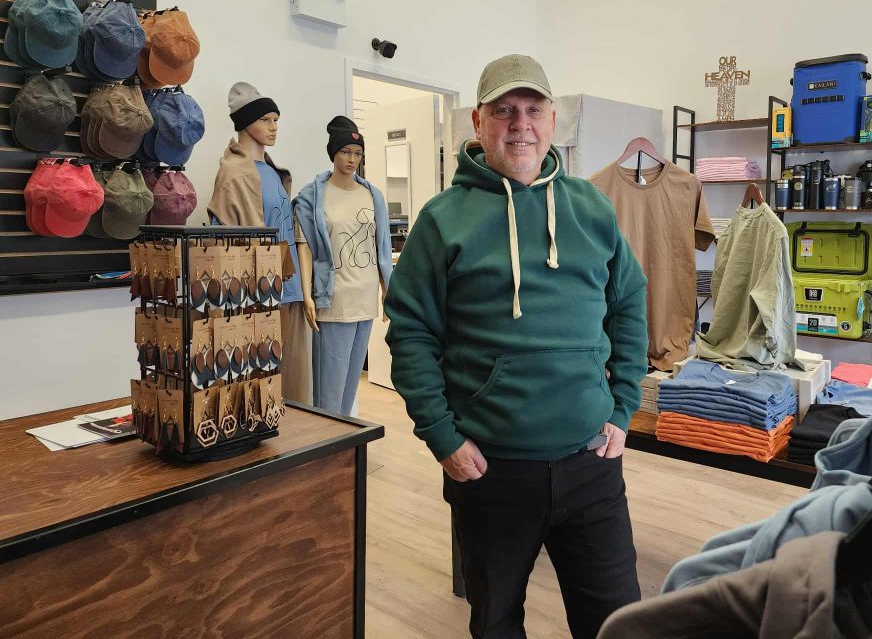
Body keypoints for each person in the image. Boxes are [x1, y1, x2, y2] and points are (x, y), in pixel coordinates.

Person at [384, 54, 649, 638]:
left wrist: (624, 406)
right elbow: (410, 331)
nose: (520, 125)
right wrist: (442, 437)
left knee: (620, 624)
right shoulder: (443, 220)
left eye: (533, 110)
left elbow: (629, 300)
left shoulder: (591, 208)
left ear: (553, 121)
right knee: (497, 623)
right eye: (504, 111)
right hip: (491, 471)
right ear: (478, 122)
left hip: (591, 463)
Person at [207, 82, 311, 403]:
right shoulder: (234, 173)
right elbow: (224, 244)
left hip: (288, 288)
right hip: (257, 294)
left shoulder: (274, 172)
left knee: (292, 382)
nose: (273, 127)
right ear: (245, 122)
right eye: (265, 119)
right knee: (256, 383)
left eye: (276, 120)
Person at [293, 117, 393, 416]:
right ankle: (328, 440)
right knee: (329, 389)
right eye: (345, 152)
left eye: (357, 153)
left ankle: (345, 439)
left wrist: (387, 289)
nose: (352, 159)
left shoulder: (372, 195)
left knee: (350, 386)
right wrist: (307, 296)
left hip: (365, 297)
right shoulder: (313, 196)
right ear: (333, 153)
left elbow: (381, 245)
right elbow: (304, 246)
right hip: (334, 298)